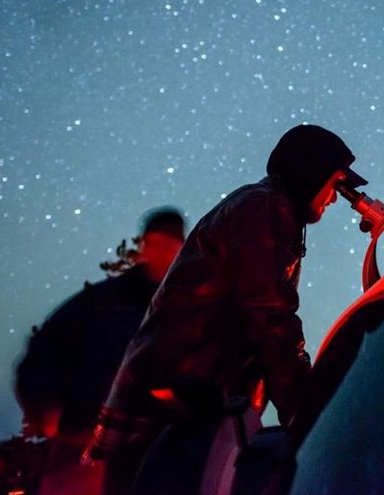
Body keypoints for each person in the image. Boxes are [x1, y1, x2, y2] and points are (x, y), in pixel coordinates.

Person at [84, 124, 365, 493]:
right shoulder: (263, 207)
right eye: (336, 182)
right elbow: (270, 318)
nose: (334, 198)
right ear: (311, 173)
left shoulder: (269, 211)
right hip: (170, 405)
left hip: (185, 402)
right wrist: (307, 413)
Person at [14, 207, 186, 495]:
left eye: (169, 245)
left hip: (156, 446)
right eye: (153, 243)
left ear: (181, 249)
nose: (160, 252)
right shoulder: (103, 302)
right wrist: (45, 405)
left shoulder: (185, 309)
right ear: (143, 246)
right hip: (80, 441)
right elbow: (47, 346)